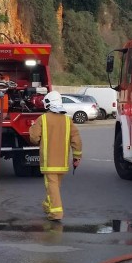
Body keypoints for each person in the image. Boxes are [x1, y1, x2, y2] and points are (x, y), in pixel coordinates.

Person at [28, 91, 82, 221]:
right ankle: (47, 205)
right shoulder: (68, 120)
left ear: (48, 103)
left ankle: (56, 213)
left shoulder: (43, 119)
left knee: (51, 186)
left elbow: (34, 139)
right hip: (62, 162)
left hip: (49, 161)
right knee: (55, 186)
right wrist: (77, 157)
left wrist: (32, 128)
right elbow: (76, 139)